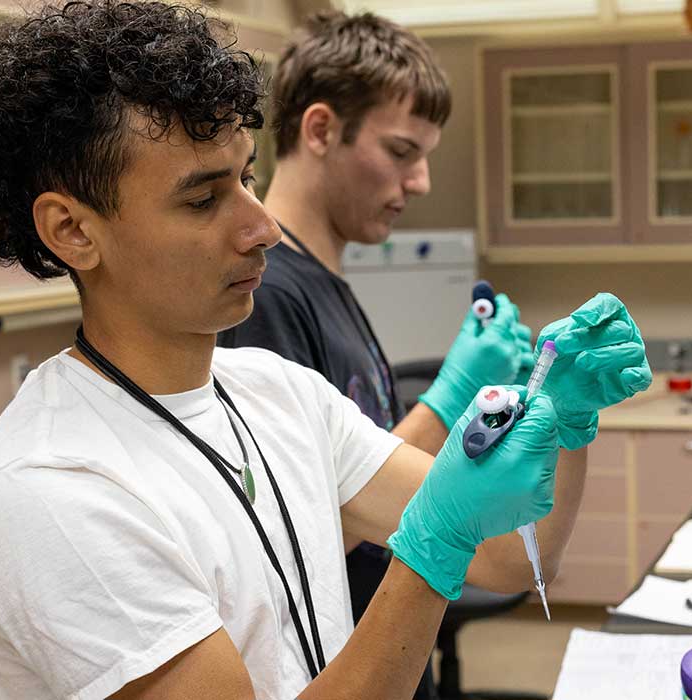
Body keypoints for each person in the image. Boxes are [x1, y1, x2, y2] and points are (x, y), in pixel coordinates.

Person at [0, 3, 652, 699]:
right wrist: (434, 541)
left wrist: (564, 415)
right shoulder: (50, 490)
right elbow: (457, 542)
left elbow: (515, 554)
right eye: (203, 199)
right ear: (72, 231)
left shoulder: (281, 393)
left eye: (247, 178)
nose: (264, 228)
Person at [216, 15, 532, 696]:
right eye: (400, 151)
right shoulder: (263, 297)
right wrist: (451, 395)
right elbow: (299, 520)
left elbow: (362, 456)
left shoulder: (328, 283)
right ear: (322, 130)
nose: (418, 181)